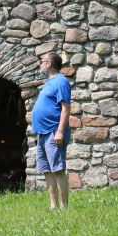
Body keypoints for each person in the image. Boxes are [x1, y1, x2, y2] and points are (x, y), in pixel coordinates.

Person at [30, 51, 71, 210]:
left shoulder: (61, 82)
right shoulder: (49, 83)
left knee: (58, 169)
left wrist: (60, 131)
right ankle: (53, 206)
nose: (41, 64)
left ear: (49, 64)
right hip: (43, 133)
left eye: (42, 61)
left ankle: (64, 207)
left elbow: (65, 108)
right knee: (47, 171)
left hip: (54, 131)